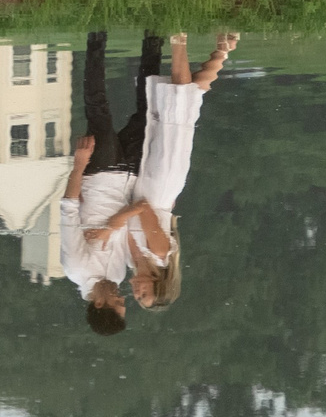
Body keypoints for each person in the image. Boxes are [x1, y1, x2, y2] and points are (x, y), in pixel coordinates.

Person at [60, 31, 236, 334]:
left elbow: (68, 211)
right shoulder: (123, 270)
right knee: (151, 107)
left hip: (99, 173)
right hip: (135, 172)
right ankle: (154, 35)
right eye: (133, 299)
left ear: (99, 304)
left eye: (120, 302)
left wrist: (79, 165)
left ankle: (97, 35)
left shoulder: (76, 268)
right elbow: (141, 216)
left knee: (99, 109)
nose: (124, 296)